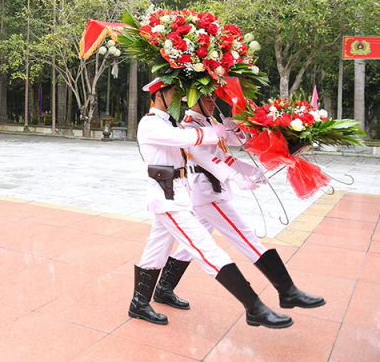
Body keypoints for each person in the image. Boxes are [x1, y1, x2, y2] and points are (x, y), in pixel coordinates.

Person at [128, 78, 291, 329]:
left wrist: (228, 131)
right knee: (207, 250)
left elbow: (205, 146)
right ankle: (254, 307)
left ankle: (139, 303)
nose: (177, 98)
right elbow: (184, 138)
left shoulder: (168, 122)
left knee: (156, 251)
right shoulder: (150, 123)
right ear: (158, 95)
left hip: (175, 195)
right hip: (167, 198)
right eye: (173, 92)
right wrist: (212, 132)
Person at [154, 93, 325, 312]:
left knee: (193, 244)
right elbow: (207, 159)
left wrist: (251, 169)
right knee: (246, 236)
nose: (211, 102)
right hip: (207, 192)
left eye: (211, 98)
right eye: (205, 98)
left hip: (212, 189)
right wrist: (236, 177)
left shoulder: (211, 122)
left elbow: (232, 149)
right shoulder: (187, 126)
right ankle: (287, 290)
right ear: (192, 100)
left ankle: (164, 287)